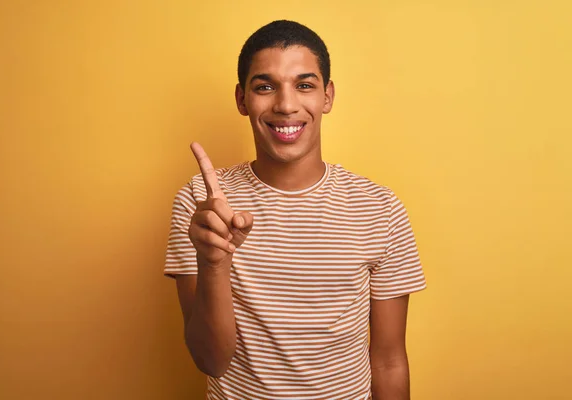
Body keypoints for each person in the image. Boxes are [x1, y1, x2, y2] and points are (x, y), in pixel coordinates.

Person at [165, 20, 427, 400]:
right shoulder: (200, 204)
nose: (286, 105)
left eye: (304, 85)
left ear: (327, 97)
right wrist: (214, 263)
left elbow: (388, 361)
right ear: (242, 99)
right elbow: (211, 360)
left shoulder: (380, 209)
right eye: (265, 86)